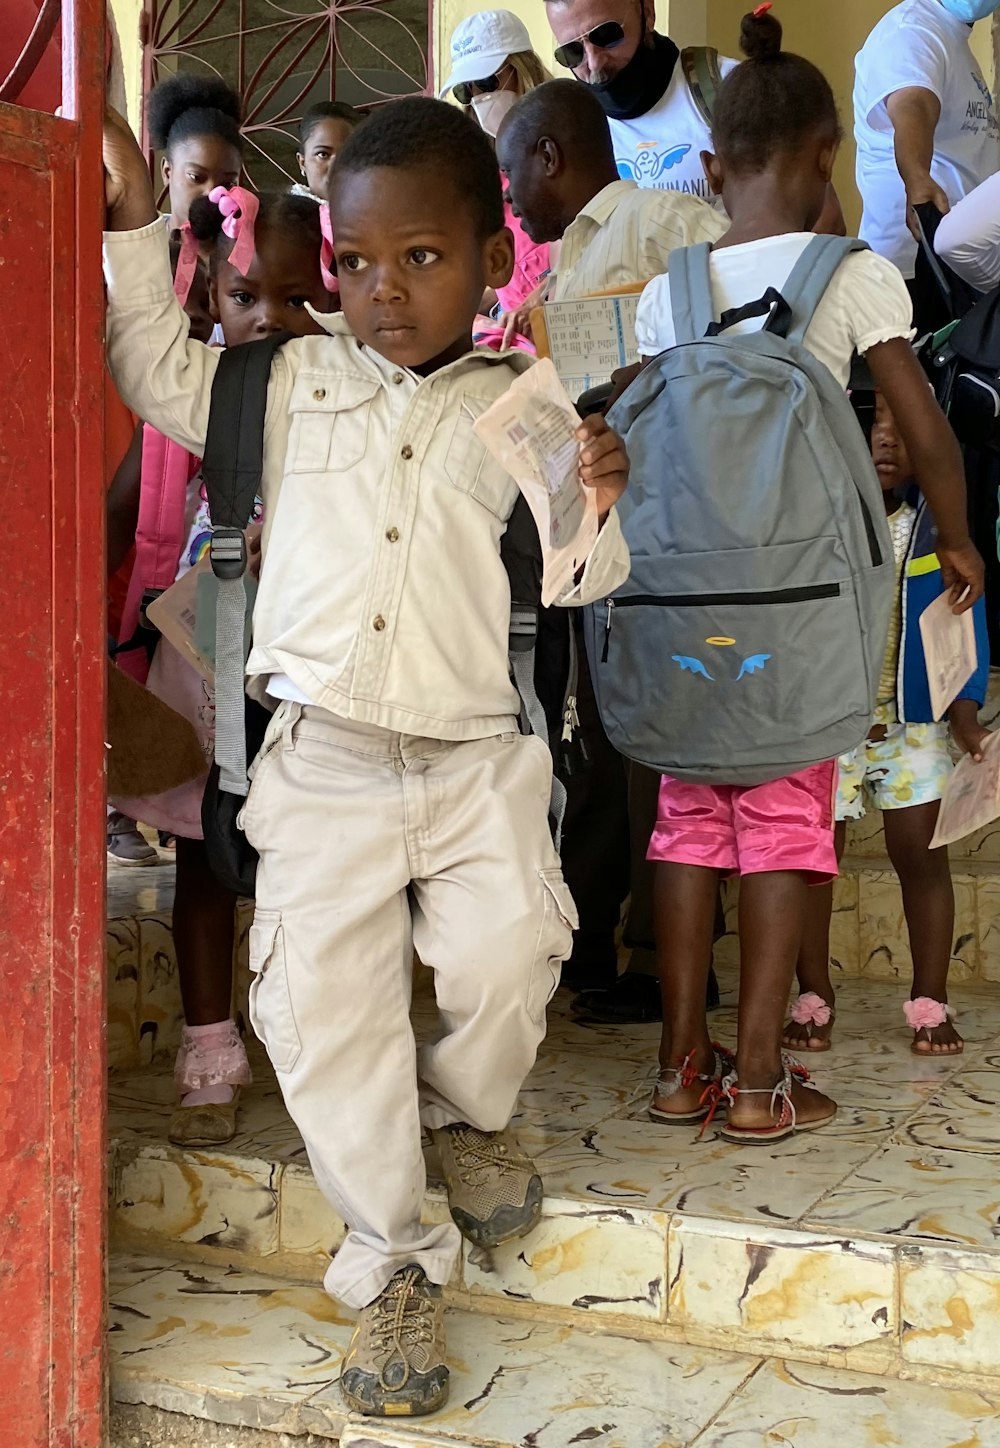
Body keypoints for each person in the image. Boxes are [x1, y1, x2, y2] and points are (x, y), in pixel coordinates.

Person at [101, 96, 630, 1417]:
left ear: (490, 261)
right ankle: (396, 1255)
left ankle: (465, 1109)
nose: (385, 292)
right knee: (324, 1028)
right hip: (322, 760)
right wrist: (130, 218)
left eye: (424, 259)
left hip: (471, 759)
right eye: (358, 263)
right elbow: (156, 370)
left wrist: (596, 496)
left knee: (512, 963)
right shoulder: (288, 380)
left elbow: (584, 581)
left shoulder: (525, 407)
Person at [631, 8, 983, 1142]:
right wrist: (961, 536)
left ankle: (682, 1065)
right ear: (827, 154)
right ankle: (757, 1081)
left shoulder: (664, 292)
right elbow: (923, 430)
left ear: (710, 164)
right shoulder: (854, 274)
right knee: (785, 823)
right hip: (803, 603)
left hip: (682, 600)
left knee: (688, 820)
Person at [111, 192, 336, 1149]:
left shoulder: (345, 391)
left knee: (317, 868)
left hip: (312, 673)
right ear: (214, 295)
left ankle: (322, 1047)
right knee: (205, 859)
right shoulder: (211, 389)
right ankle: (210, 1043)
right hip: (210, 662)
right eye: (249, 296)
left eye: (298, 297)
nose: (272, 319)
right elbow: (145, 355)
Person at [786, 389, 989, 1058]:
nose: (884, 441)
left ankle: (930, 1001)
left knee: (921, 858)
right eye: (871, 426)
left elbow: (966, 619)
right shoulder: (818, 527)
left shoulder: (939, 530)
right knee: (816, 864)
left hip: (914, 726)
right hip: (828, 724)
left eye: (901, 431)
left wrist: (965, 708)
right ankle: (813, 996)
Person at [497, 78, 725, 300]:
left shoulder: (659, 217)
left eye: (508, 171)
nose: (506, 194)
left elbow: (751, 285)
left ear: (548, 157)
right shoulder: (573, 254)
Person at [853, 0, 1000, 294]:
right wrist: (917, 176)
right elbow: (912, 102)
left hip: (951, 262)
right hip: (913, 265)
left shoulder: (950, 35)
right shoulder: (911, 29)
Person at [441, 10, 553, 343]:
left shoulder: (568, 145)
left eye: (488, 83)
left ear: (524, 70)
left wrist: (536, 302)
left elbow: (591, 248)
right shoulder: (485, 171)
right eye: (467, 91)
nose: (479, 98)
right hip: (520, 349)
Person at [147, 72, 244, 230]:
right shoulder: (137, 242)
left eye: (227, 184)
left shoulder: (244, 250)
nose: (211, 193)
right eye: (197, 177)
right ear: (167, 172)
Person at [293, 100, 365, 201]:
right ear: (302, 162)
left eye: (346, 154)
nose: (334, 167)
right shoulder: (277, 213)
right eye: (323, 154)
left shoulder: (380, 213)